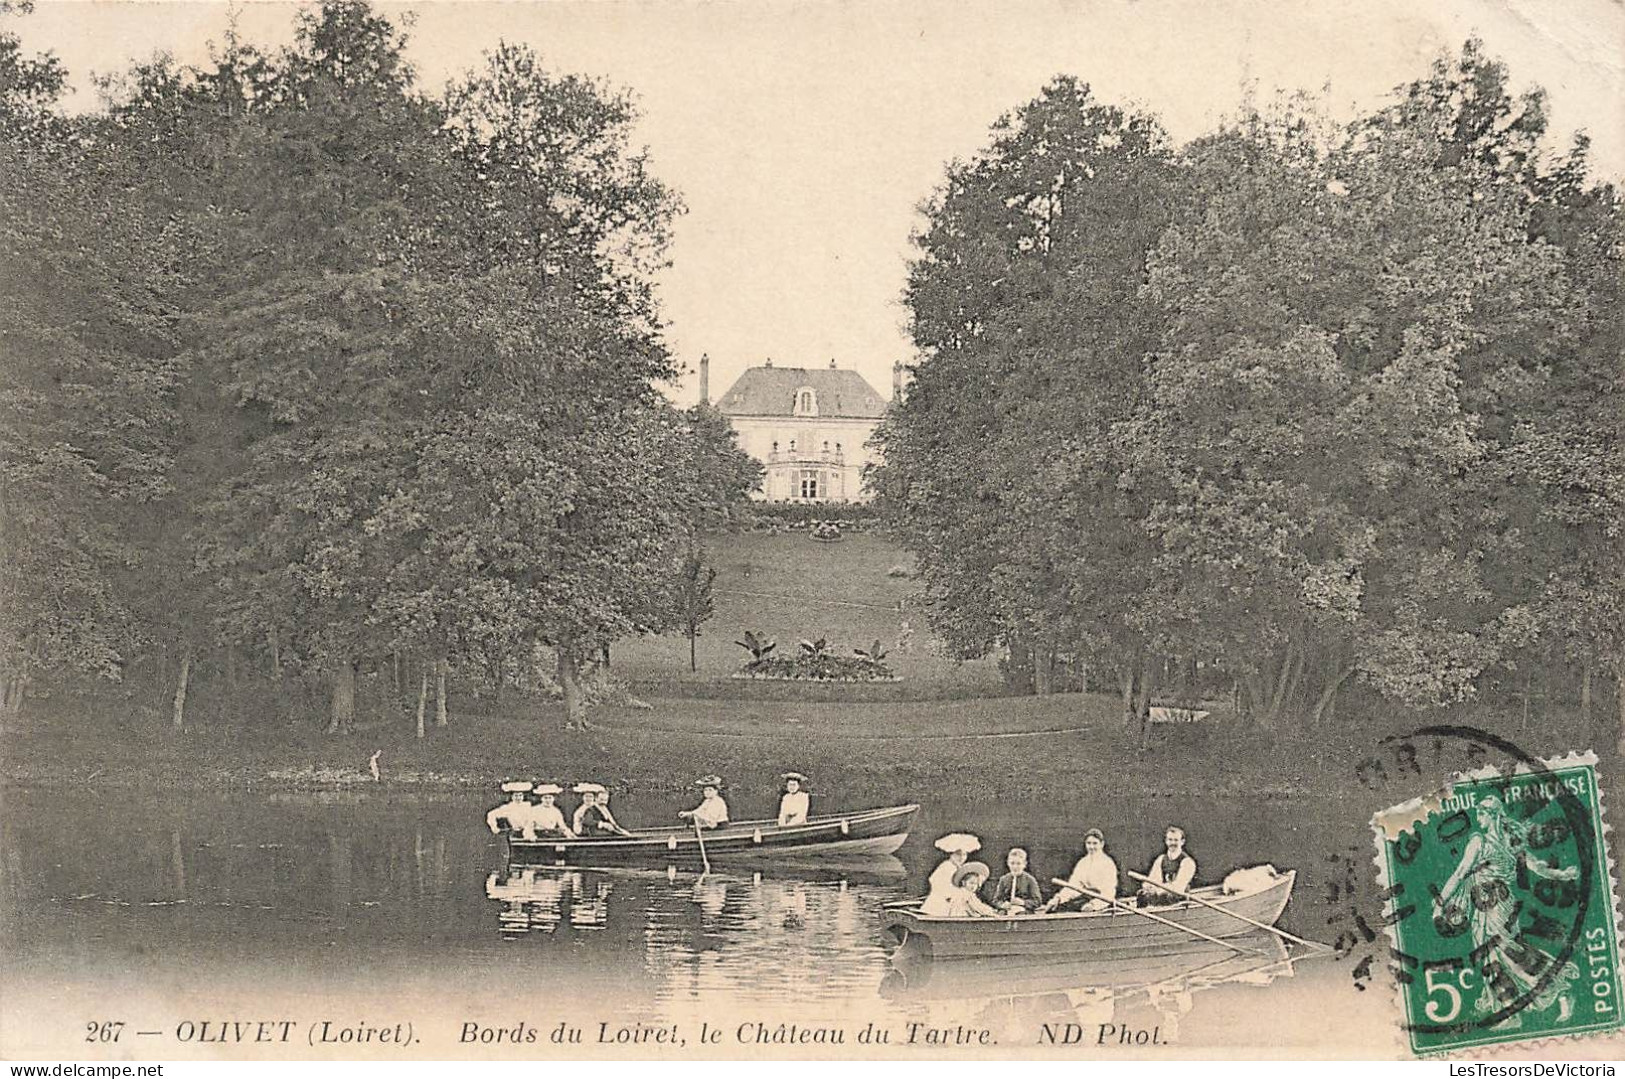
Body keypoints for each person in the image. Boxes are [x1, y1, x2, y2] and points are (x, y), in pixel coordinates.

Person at [1435, 794, 1579, 1025]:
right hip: (1499, 905)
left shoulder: (1479, 842)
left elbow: (1461, 873)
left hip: (1493, 908)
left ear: (1490, 815)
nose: (1477, 817)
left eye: (1480, 813)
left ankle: (1558, 991)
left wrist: (1441, 901)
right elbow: (1538, 867)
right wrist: (1562, 874)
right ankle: (1513, 1009)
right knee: (1501, 955)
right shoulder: (1511, 843)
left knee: (1504, 954)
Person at [1044, 828, 1120, 912]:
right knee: (1057, 909)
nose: (1091, 847)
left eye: (1095, 843)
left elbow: (1108, 892)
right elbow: (1073, 886)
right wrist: (1059, 898)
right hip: (1085, 898)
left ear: (1102, 844)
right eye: (1089, 843)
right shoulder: (1083, 863)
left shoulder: (1108, 864)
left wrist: (1093, 905)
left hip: (1102, 901)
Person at [922, 833, 980, 915]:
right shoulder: (947, 866)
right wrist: (953, 893)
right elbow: (934, 881)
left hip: (954, 900)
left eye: (964, 855)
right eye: (958, 854)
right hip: (941, 901)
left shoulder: (959, 868)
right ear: (952, 854)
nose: (961, 858)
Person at [1138, 825, 1196, 906]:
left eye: (1176, 840)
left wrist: (1158, 890)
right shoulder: (1161, 859)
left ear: (1182, 842)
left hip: (1178, 901)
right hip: (1162, 896)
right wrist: (1148, 887)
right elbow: (1153, 879)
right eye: (1170, 840)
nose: (1172, 843)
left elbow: (1179, 887)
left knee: (1167, 895)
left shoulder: (1187, 862)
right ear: (1166, 841)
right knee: (1141, 894)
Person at [988, 847, 1044, 914]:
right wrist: (1002, 905)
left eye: (1018, 864)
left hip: (1024, 911)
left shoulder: (1030, 880)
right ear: (1008, 863)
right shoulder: (1003, 879)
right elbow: (996, 900)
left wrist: (1023, 902)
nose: (1015, 867)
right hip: (1007, 911)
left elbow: (1037, 901)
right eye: (1012, 863)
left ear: (1024, 864)